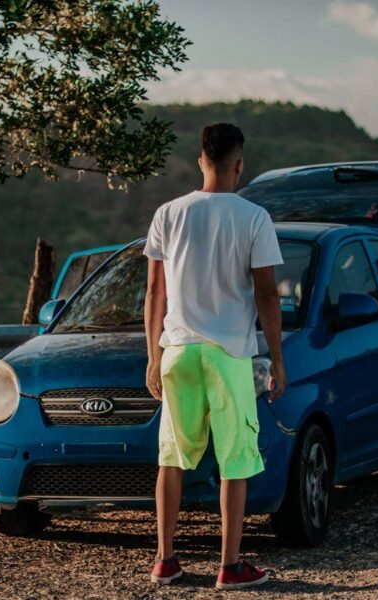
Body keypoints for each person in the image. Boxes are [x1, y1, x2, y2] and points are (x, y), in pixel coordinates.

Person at [143, 122, 287, 590]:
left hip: (178, 349)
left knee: (171, 457)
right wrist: (278, 359)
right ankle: (230, 566)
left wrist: (152, 355)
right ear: (239, 165)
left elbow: (153, 292)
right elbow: (266, 294)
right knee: (235, 459)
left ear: (201, 160)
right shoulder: (254, 218)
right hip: (229, 354)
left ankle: (165, 560)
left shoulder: (168, 213)